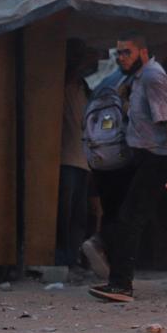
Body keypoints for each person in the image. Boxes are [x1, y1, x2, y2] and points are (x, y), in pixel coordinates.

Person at [88, 32, 167, 302]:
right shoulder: (137, 78)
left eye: (126, 53)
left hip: (155, 160)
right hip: (147, 158)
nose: (121, 58)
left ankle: (121, 284)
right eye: (118, 53)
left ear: (143, 52)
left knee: (128, 219)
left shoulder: (152, 78)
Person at [55, 39, 92, 269]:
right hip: (67, 159)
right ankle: (62, 259)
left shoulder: (84, 89)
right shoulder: (66, 85)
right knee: (64, 215)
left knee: (78, 215)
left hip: (83, 161)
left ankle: (72, 259)